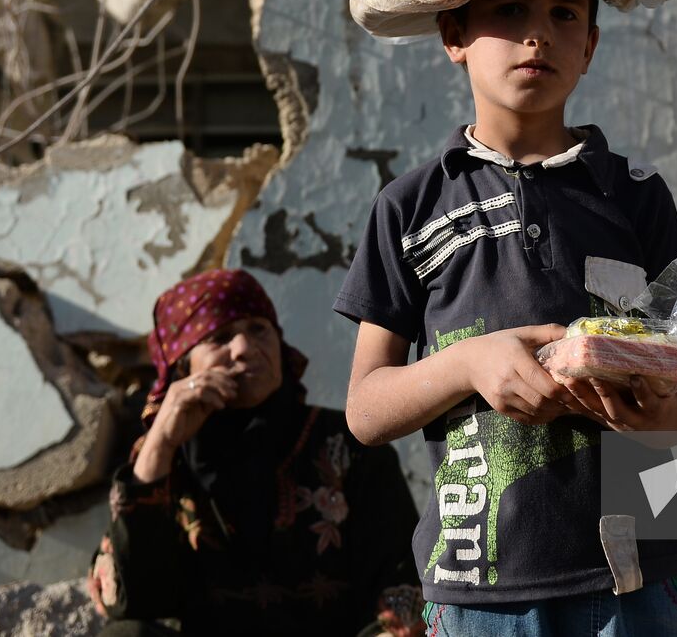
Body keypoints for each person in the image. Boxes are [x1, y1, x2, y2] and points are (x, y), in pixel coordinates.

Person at [337, 0, 677, 635]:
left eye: (562, 14)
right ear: (454, 35)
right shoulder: (409, 208)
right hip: (480, 590)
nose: (537, 34)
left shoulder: (635, 196)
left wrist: (662, 415)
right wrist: (471, 363)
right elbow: (365, 411)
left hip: (642, 573)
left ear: (589, 46)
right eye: (509, 10)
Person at [87, 268, 424, 637]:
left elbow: (399, 589)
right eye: (219, 338)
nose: (246, 348)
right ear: (183, 367)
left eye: (259, 329)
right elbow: (128, 600)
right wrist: (159, 445)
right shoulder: (168, 460)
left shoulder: (350, 444)